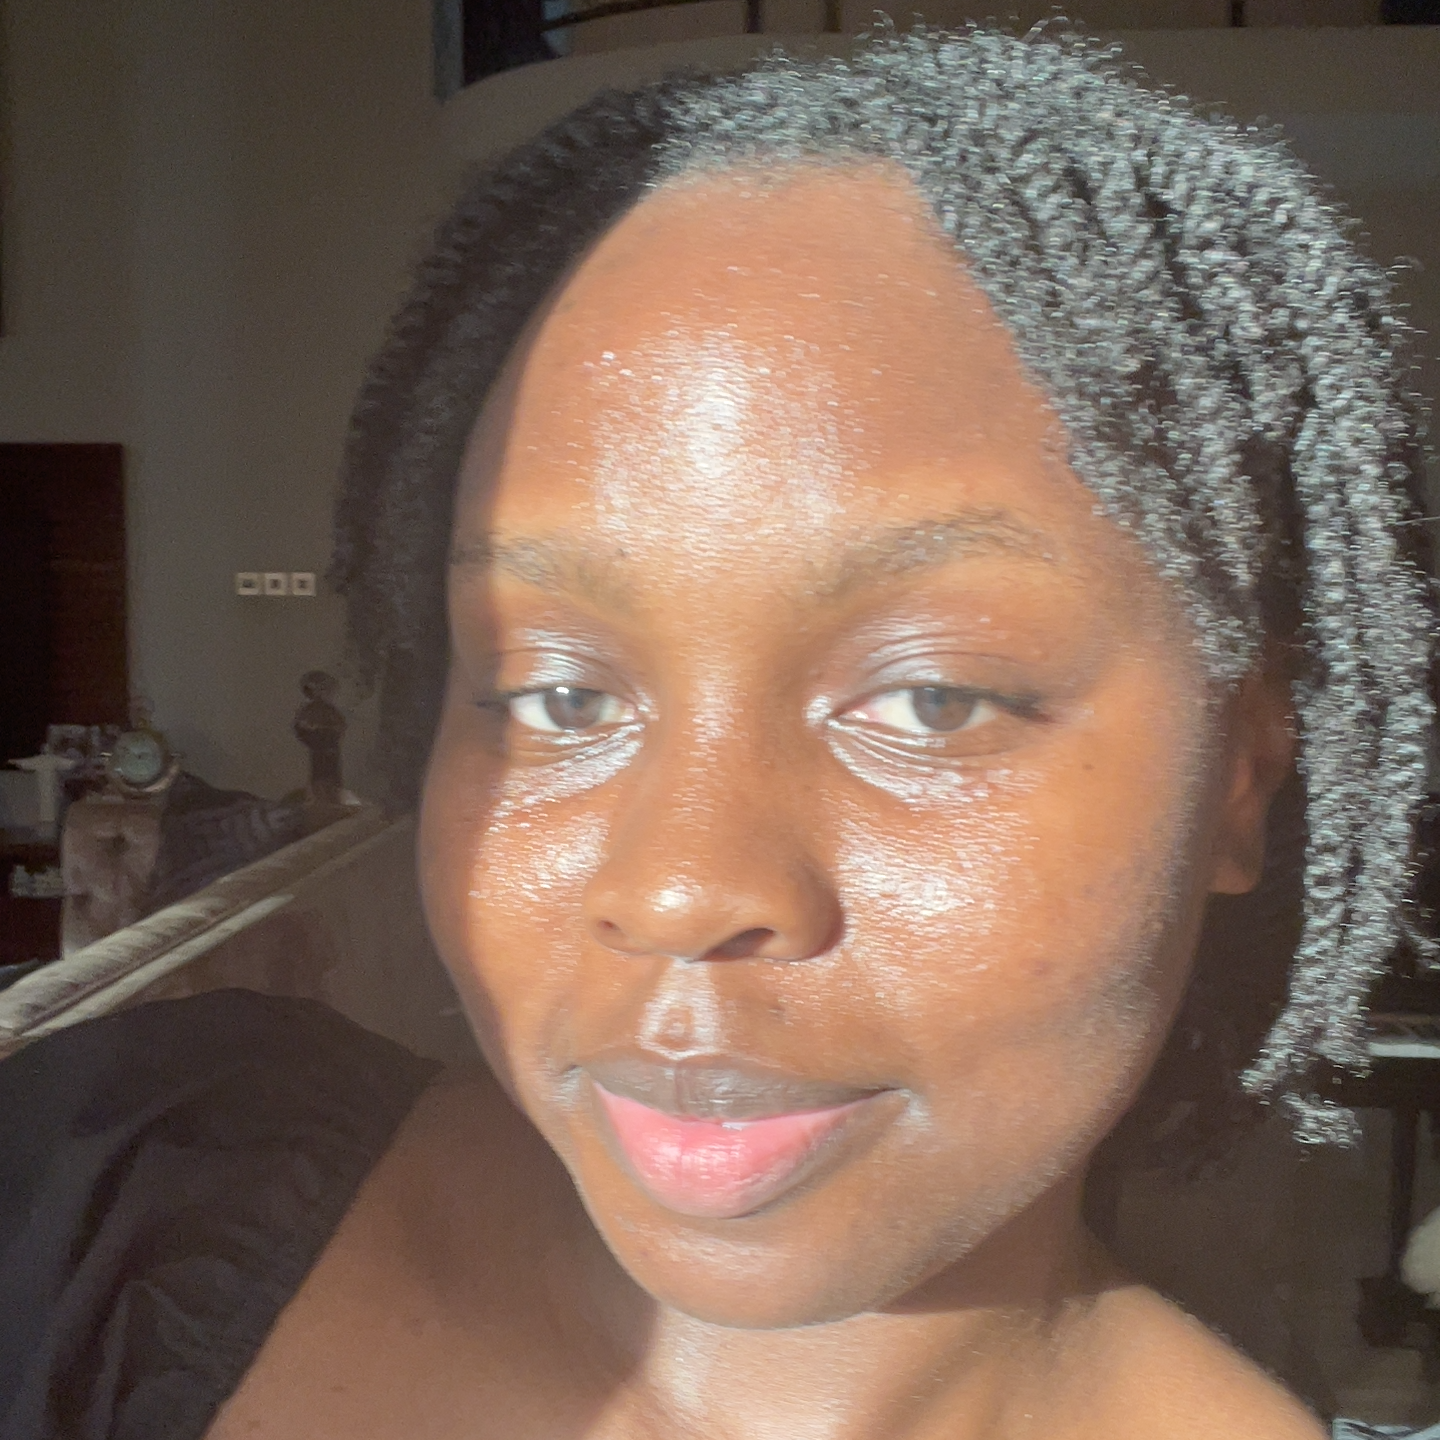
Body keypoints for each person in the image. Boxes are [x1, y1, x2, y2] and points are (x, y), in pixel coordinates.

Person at [1, 26, 1434, 1440]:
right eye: (557, 694)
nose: (681, 889)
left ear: (1246, 767)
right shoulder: (105, 1190)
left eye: (933, 697)